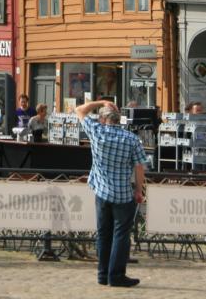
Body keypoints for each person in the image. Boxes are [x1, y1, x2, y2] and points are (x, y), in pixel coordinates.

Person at [76, 99, 146, 289]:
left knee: (103, 234)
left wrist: (101, 101)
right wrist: (138, 190)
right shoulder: (131, 139)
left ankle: (102, 274)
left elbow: (80, 109)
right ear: (118, 119)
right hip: (123, 194)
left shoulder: (96, 131)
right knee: (121, 235)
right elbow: (139, 167)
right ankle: (116, 275)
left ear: (102, 119)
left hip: (102, 192)